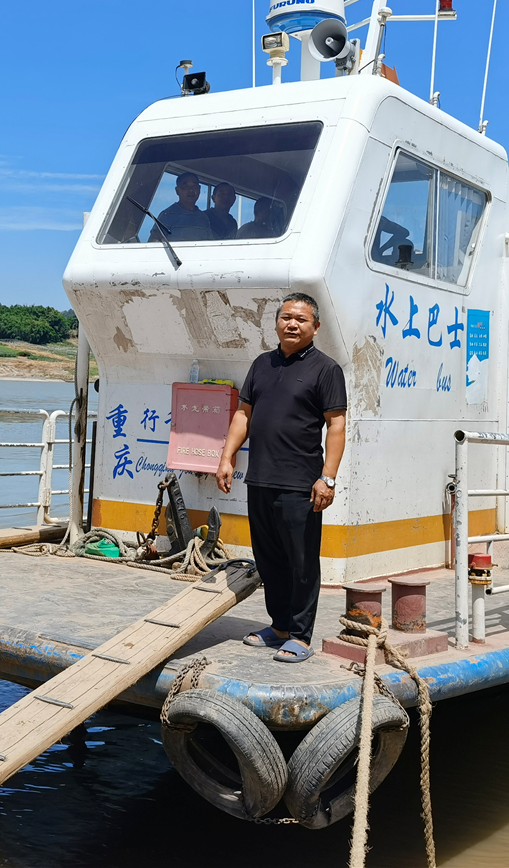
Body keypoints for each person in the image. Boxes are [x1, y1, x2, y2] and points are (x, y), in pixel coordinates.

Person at [216, 293, 346, 662]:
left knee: (301, 561)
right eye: (286, 317)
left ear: (315, 327)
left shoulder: (326, 369)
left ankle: (301, 636)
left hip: (301, 483)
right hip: (260, 478)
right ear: (276, 323)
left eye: (301, 319)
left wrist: (328, 478)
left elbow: (337, 426)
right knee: (269, 558)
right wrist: (226, 457)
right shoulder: (261, 364)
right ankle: (280, 627)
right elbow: (243, 415)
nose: (292, 324)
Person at [151, 172, 213, 242]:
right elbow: (153, 243)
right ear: (177, 191)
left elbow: (210, 244)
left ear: (199, 189)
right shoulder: (167, 215)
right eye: (186, 186)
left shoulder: (203, 217)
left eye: (194, 186)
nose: (191, 190)